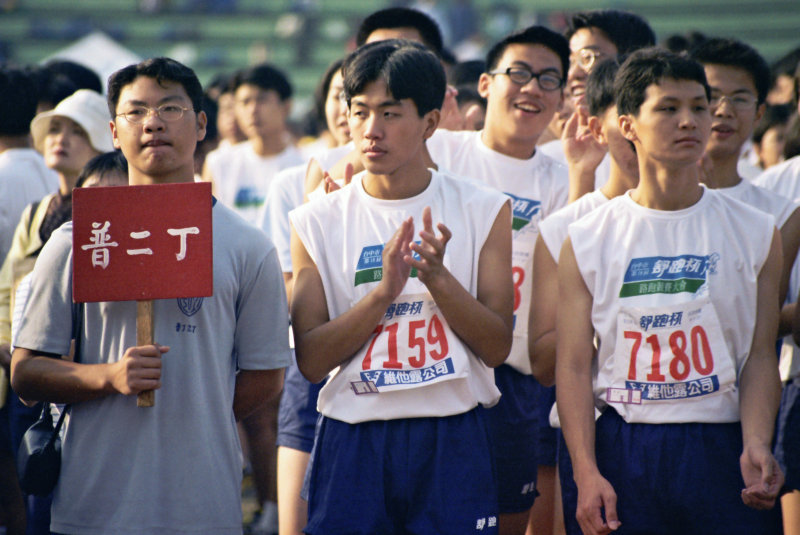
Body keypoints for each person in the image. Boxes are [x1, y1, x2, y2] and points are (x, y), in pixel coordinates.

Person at [10, 57, 290, 534]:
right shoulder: (74, 241)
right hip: (91, 507)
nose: (153, 122)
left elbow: (266, 376)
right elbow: (26, 371)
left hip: (202, 507)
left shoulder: (249, 247)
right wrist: (107, 377)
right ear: (115, 132)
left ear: (202, 124)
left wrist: (196, 407)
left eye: (170, 108)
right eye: (135, 111)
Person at [556, 48, 784, 535]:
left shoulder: (759, 230)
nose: (691, 121)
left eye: (699, 106)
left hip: (723, 447)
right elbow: (574, 365)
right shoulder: (587, 237)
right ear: (629, 125)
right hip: (624, 445)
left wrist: (758, 442)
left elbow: (761, 356)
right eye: (668, 108)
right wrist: (586, 470)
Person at [290, 40, 513, 534]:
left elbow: (496, 346)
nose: (371, 130)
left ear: (430, 123)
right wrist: (382, 294)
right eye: (360, 111)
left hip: (452, 435)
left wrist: (437, 278)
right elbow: (310, 359)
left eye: (390, 113)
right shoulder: (316, 220)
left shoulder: (484, 208)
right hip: (354, 439)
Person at [531, 58, 639, 535]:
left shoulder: (725, 220)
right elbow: (541, 360)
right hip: (599, 433)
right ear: (600, 127)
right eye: (630, 111)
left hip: (704, 436)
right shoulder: (565, 231)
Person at [692, 37, 800, 309]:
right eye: (711, 97)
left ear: (759, 113)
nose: (724, 110)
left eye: (740, 99)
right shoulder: (643, 202)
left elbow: (761, 318)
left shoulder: (779, 211)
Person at [538, 9, 655, 201]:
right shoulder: (549, 160)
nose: (573, 74)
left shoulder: (666, 147)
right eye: (569, 62)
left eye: (588, 58)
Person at [202, 63, 303, 226]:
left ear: (287, 106)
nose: (253, 110)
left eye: (262, 100)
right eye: (245, 102)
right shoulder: (219, 163)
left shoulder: (304, 165)